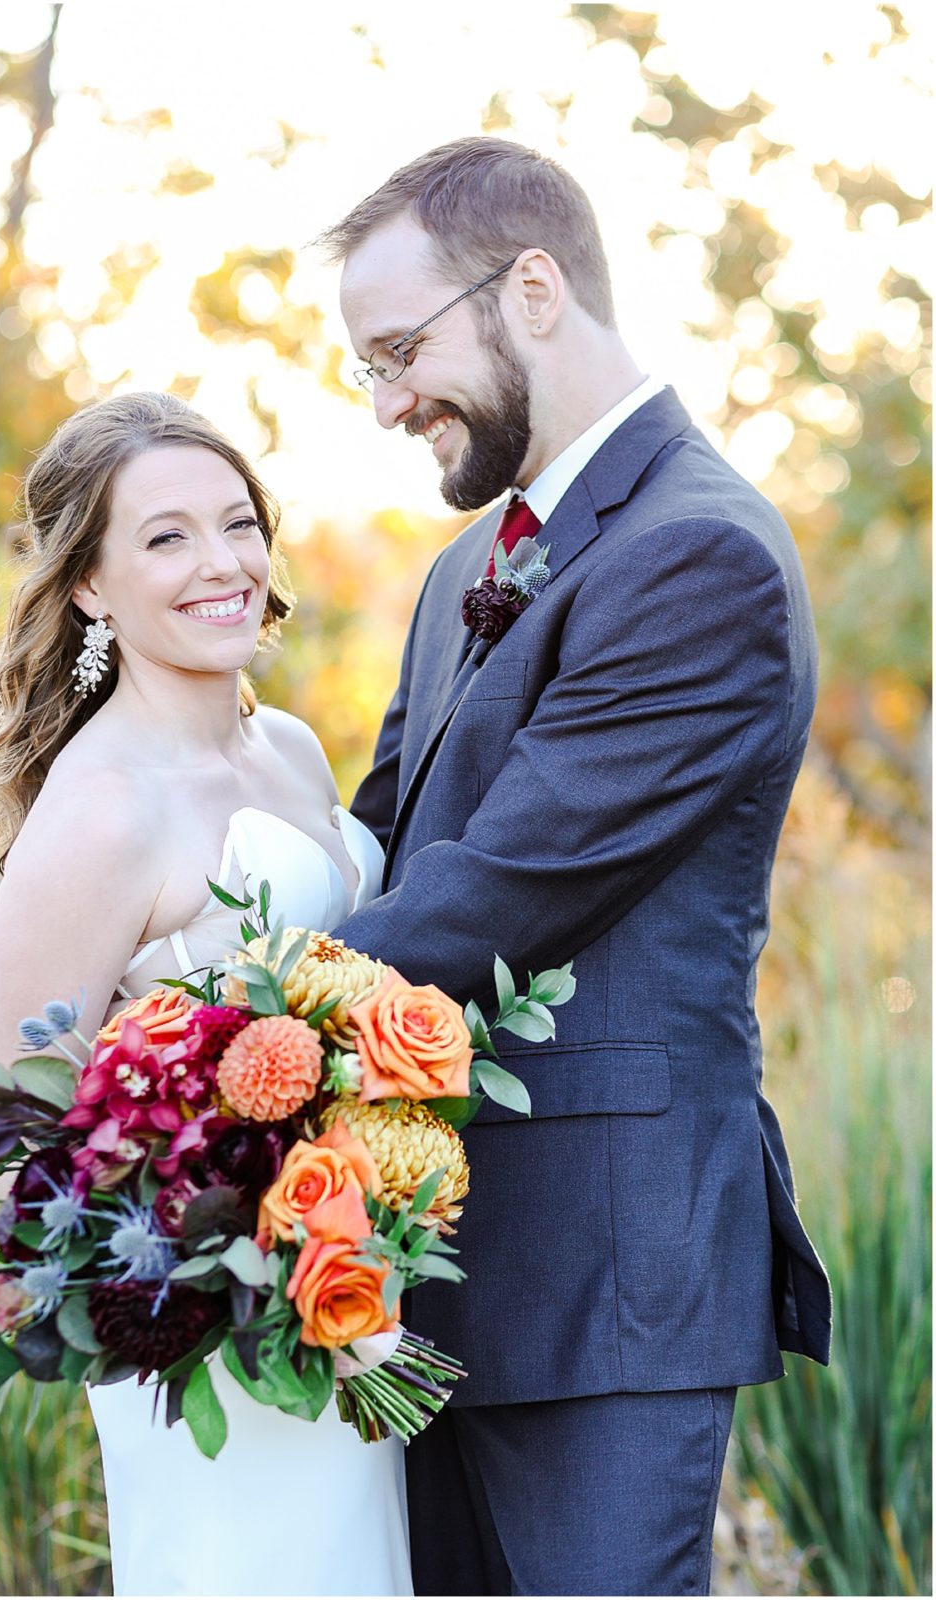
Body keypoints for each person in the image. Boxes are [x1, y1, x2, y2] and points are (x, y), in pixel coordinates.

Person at [321, 136, 833, 1597]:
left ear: (530, 288)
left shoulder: (699, 553)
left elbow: (501, 893)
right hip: (420, 1269)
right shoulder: (458, 570)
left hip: (612, 1280)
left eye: (402, 349)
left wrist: (217, 1042)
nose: (385, 402)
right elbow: (382, 859)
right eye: (364, 366)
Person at [0, 391, 411, 1598]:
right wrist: (205, 1255)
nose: (223, 565)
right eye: (166, 537)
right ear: (91, 585)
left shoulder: (297, 750)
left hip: (353, 1283)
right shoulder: (102, 806)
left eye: (238, 523)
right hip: (219, 1337)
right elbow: (14, 1126)